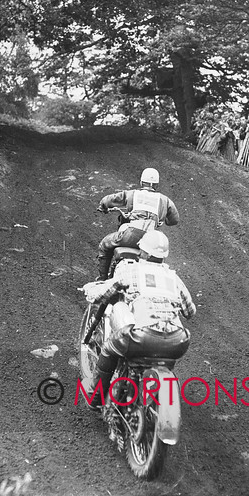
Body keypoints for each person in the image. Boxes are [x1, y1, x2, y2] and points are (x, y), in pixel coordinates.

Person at [81, 230, 196, 407]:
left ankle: (95, 397)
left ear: (145, 253)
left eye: (141, 250)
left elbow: (103, 294)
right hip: (178, 342)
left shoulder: (132, 271)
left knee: (111, 342)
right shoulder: (174, 278)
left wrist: (91, 289)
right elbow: (190, 312)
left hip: (143, 339)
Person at [95, 167, 179, 281]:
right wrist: (165, 219)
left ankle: (102, 280)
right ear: (156, 185)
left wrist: (103, 207)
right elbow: (174, 220)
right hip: (150, 240)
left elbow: (107, 200)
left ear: (141, 182)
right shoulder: (165, 200)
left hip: (130, 235)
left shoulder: (132, 194)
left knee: (104, 245)